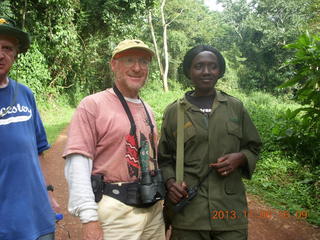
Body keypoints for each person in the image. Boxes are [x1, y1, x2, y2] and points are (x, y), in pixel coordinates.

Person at [63, 39, 166, 240]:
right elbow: (77, 163)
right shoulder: (93, 105)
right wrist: (89, 218)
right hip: (115, 211)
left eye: (143, 61)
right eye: (129, 60)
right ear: (114, 65)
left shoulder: (148, 109)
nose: (137, 68)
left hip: (152, 209)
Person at [158, 45, 262, 240]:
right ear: (189, 71)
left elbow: (253, 146)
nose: (206, 71)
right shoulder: (175, 112)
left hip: (229, 212)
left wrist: (240, 158)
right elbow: (164, 159)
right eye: (199, 66)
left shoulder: (235, 107)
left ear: (219, 71)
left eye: (212, 66)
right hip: (188, 214)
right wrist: (171, 183)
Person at [0, 16, 59, 239]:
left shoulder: (25, 94)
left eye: (7, 48)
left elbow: (38, 151)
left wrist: (49, 193)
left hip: (38, 215)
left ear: (15, 53)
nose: (0, 55)